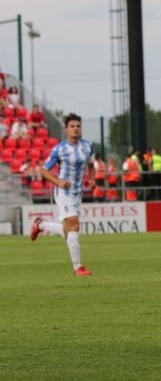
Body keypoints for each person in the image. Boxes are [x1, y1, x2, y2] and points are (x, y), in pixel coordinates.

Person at [29, 113, 94, 276]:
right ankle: (78, 267)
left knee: (68, 230)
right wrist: (59, 182)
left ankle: (41, 225)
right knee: (74, 225)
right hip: (63, 192)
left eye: (78, 126)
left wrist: (91, 180)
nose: (75, 129)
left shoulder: (87, 146)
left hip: (78, 193)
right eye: (72, 126)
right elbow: (43, 170)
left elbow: (91, 164)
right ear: (66, 129)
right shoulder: (59, 149)